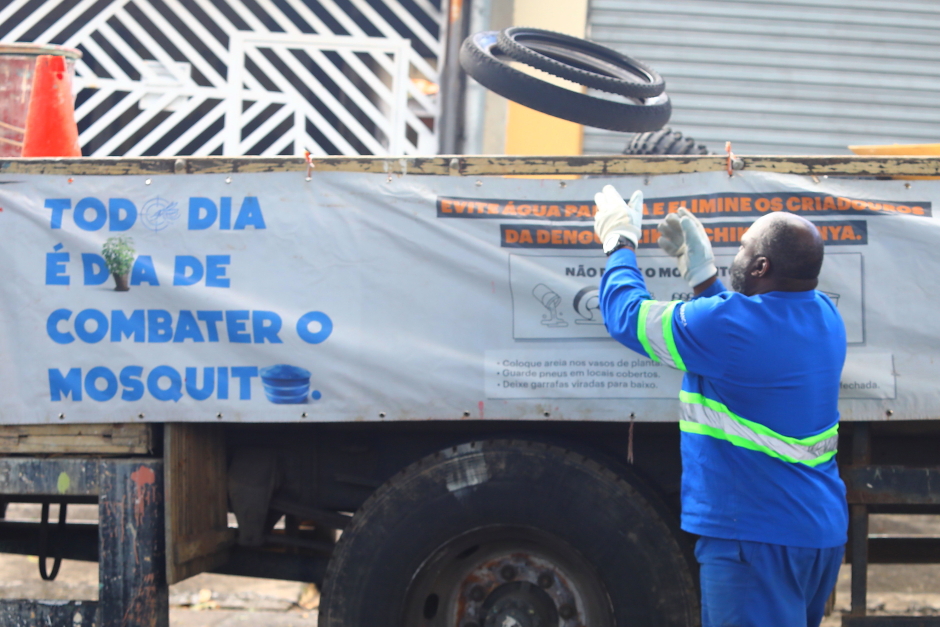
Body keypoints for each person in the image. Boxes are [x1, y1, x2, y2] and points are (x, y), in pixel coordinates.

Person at [593, 185, 848, 627]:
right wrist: (703, 278)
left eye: (744, 248)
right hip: (817, 532)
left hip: (755, 539)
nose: (737, 256)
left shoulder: (729, 328)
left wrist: (619, 241)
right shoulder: (825, 316)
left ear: (762, 266)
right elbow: (740, 329)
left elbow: (626, 315)